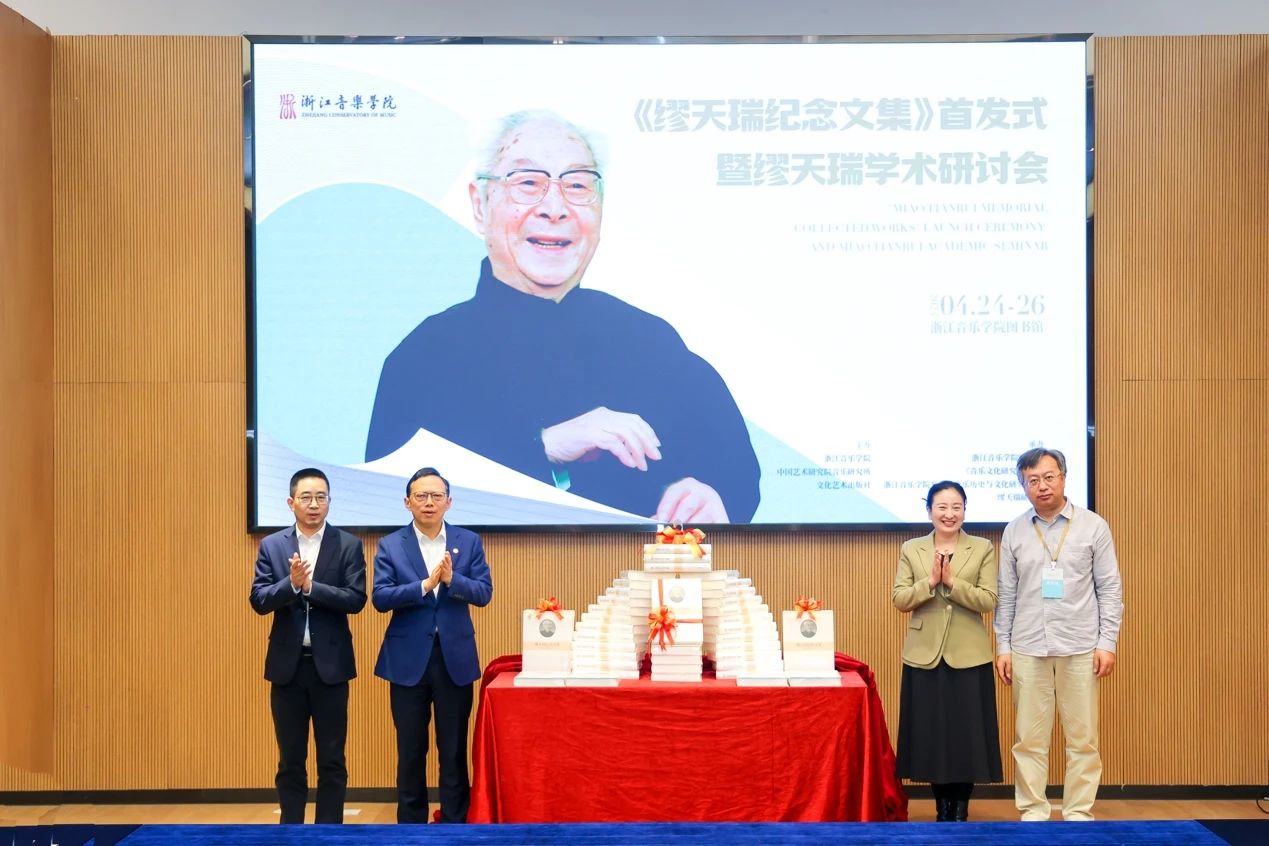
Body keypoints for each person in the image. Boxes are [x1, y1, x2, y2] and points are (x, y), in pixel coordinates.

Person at [365, 110, 760, 523]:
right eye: (528, 183)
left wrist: (707, 493)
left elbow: (732, 468)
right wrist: (544, 447)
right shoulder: (424, 357)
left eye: (576, 186)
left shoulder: (650, 340)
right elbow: (393, 509)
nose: (554, 208)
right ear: (480, 206)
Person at [994, 447, 1123, 821]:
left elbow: (1110, 588)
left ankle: (1078, 812)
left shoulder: (1093, 526)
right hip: (1027, 646)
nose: (1042, 486)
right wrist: (1003, 646)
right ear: (1024, 486)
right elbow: (1006, 593)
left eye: (1049, 477)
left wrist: (1107, 643)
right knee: (1029, 739)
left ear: (1064, 478)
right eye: (1032, 480)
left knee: (1082, 739)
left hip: (1080, 645)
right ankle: (1033, 811)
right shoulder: (1015, 530)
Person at [373, 467, 493, 823]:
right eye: (421, 496)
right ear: (407, 502)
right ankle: (411, 826)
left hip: (453, 658)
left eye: (436, 496)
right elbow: (380, 597)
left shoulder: (468, 541)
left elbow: (483, 593)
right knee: (411, 749)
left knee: (453, 749)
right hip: (407, 660)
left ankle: (455, 823)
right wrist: (424, 586)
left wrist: (453, 579)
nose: (429, 502)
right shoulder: (391, 544)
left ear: (449, 502)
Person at [249, 468, 367, 824]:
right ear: (291, 502)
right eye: (306, 497)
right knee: (290, 759)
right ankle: (291, 831)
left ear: (329, 501)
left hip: (331, 667)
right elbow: (259, 600)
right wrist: (291, 584)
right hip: (288, 668)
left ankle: (329, 832)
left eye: (321, 497)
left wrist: (311, 588)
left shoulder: (348, 545)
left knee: (332, 759)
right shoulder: (273, 545)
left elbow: (355, 599)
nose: (314, 504)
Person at [892, 480, 1002, 822]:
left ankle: (961, 807)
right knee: (932, 735)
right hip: (924, 654)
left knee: (966, 735)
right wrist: (930, 582)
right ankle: (942, 807)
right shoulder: (912, 549)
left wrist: (953, 583)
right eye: (942, 507)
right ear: (929, 511)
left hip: (969, 654)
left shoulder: (981, 548)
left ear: (965, 510)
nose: (949, 514)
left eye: (957, 507)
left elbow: (989, 600)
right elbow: (900, 599)